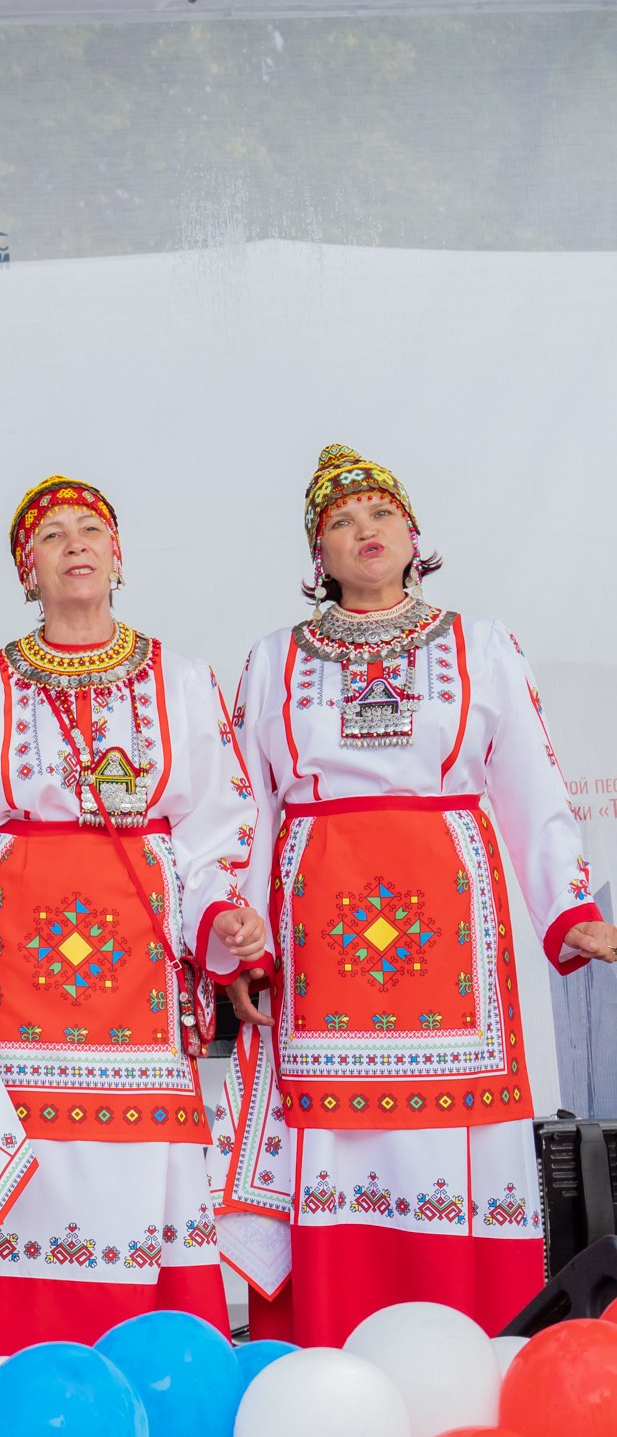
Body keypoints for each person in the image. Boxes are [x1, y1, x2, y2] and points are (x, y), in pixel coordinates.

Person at [228, 446, 617, 1345]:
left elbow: (533, 788)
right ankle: (335, 1347)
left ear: (414, 536)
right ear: (316, 558)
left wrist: (573, 910)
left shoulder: (479, 645)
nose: (365, 531)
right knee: (335, 1135)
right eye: (340, 522)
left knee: (458, 1139)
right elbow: (245, 808)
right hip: (317, 929)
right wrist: (237, 942)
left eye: (380, 514)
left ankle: (466, 1345)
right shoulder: (273, 660)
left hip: (453, 935)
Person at [0, 476, 270, 1359]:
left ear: (118, 555)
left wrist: (221, 912)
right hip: (20, 964)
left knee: (142, 1164)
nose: (75, 545)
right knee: (36, 1160)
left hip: (140, 965)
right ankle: (25, 1368)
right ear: (26, 573)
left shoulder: (181, 678)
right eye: (52, 537)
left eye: (91, 530)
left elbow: (213, 827)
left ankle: (158, 1374)